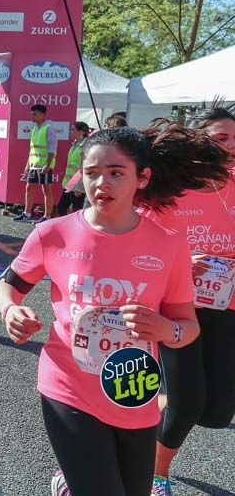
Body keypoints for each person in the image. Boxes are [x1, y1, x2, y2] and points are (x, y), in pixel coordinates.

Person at [0, 123, 231, 496]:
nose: (102, 183)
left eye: (116, 173)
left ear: (142, 178)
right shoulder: (52, 233)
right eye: (92, 173)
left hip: (134, 391)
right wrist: (11, 310)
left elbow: (188, 326)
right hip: (68, 385)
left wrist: (165, 329)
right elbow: (8, 284)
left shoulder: (169, 245)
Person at [147, 106, 235, 496]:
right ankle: (155, 474)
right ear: (198, 140)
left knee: (216, 410)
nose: (231, 146)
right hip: (175, 306)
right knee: (186, 402)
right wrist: (181, 260)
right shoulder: (168, 187)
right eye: (221, 138)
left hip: (227, 306)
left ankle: (146, 410)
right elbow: (134, 240)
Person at [12, 104, 57, 223]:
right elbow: (32, 149)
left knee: (46, 190)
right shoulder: (35, 129)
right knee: (29, 187)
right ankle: (27, 213)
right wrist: (27, 164)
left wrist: (48, 165)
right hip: (33, 165)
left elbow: (52, 149)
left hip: (44, 165)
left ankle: (47, 216)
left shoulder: (49, 128)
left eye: (35, 114)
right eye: (32, 114)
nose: (32, 116)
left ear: (42, 115)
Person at [55, 122, 91, 217]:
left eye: (73, 129)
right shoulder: (75, 145)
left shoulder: (86, 146)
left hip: (78, 187)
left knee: (77, 212)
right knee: (61, 208)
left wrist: (80, 187)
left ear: (81, 132)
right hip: (69, 185)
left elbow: (85, 168)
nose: (70, 132)